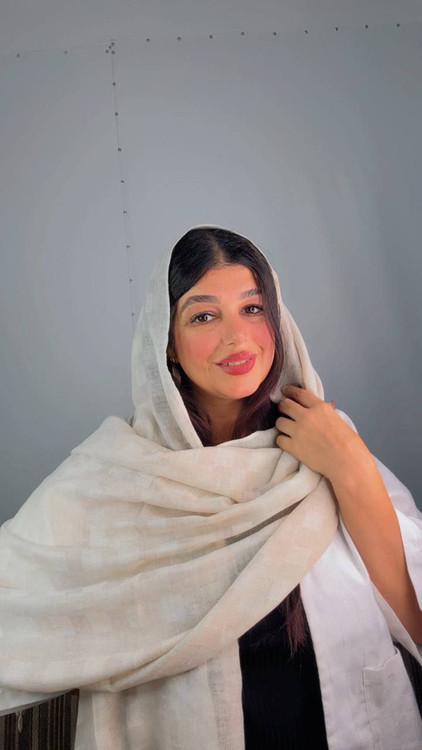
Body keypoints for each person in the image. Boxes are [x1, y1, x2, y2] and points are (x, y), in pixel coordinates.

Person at [0, 224, 421, 750]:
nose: (236, 337)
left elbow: (414, 613)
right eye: (203, 316)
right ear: (168, 344)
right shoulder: (115, 476)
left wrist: (351, 467)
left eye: (252, 308)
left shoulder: (328, 443)